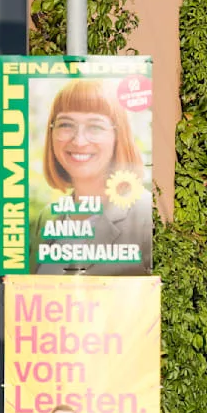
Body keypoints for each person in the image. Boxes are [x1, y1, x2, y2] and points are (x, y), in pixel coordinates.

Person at [31, 80, 153, 275]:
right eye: (66, 125)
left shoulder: (145, 213)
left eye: (95, 127)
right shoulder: (46, 220)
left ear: (118, 136)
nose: (79, 141)